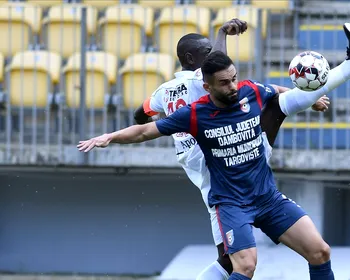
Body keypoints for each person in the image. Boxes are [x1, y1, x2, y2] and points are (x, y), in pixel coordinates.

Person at [77, 23, 350, 280]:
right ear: (205, 81)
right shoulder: (197, 108)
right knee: (240, 265)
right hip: (224, 189)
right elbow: (144, 130)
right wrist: (110, 137)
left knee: (319, 250)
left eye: (234, 78)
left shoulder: (221, 90)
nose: (233, 85)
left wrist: (308, 97)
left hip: (258, 191)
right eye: (224, 81)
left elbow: (141, 116)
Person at [131, 20, 329, 280]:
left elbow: (141, 113)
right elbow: (220, 61)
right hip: (215, 160)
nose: (213, 53)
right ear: (191, 58)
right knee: (267, 113)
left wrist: (164, 124)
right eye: (207, 51)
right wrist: (222, 32)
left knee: (228, 261)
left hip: (197, 164)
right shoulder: (202, 79)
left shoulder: (163, 91)